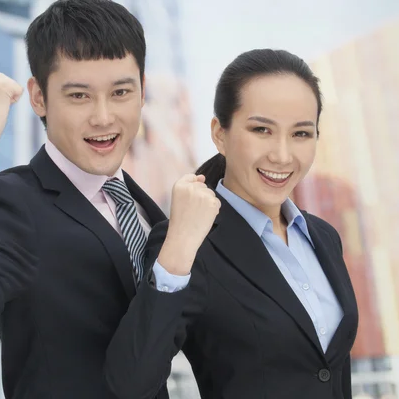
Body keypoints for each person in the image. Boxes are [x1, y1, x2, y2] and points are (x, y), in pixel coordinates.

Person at [0, 0, 185, 397]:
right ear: (38, 97)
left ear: (142, 90)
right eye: (79, 96)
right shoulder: (16, 202)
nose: (104, 117)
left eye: (121, 91)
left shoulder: (148, 214)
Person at [104, 49, 359, 399]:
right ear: (219, 134)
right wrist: (178, 246)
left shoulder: (323, 238)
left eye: (301, 134)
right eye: (261, 130)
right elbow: (131, 384)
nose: (282, 155)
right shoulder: (189, 241)